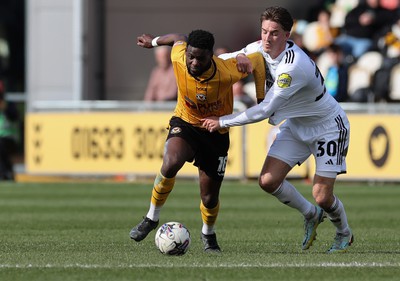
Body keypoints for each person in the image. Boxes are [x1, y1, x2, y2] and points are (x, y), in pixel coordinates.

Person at [202, 6, 353, 253]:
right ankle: (311, 215)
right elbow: (227, 59)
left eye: (274, 33)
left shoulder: (294, 67)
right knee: (268, 181)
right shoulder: (259, 48)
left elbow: (264, 110)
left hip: (328, 127)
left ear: (287, 34)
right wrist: (236, 57)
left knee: (322, 196)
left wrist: (222, 121)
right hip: (297, 124)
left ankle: (343, 233)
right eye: (263, 32)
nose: (266, 38)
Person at [130, 30, 266, 253]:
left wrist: (262, 100)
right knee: (171, 161)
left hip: (215, 133)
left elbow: (259, 60)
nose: (193, 62)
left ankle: (208, 234)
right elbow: (177, 37)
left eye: (199, 58)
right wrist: (153, 42)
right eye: (190, 56)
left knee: (209, 196)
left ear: (211, 56)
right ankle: (151, 217)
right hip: (185, 124)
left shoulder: (227, 70)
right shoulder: (178, 57)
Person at [334, 0, 398, 59]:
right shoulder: (360, 8)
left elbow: (389, 23)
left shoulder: (383, 12)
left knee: (357, 54)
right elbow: (347, 20)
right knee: (335, 46)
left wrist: (374, 20)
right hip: (349, 37)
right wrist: (359, 19)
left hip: (365, 40)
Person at [0, 80, 19, 180]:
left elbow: (14, 117)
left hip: (8, 138)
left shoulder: (8, 104)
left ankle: (4, 173)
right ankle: (7, 172)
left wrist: (5, 109)